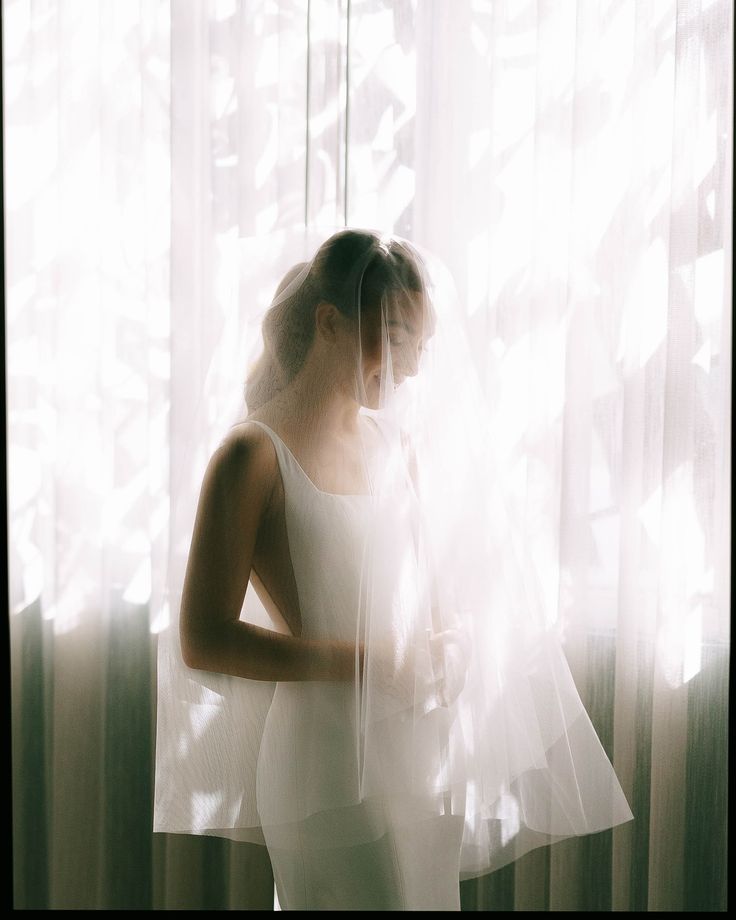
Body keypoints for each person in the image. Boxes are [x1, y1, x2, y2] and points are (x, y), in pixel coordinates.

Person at [154, 229, 633, 910]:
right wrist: (370, 665)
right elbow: (204, 638)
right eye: (397, 337)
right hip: (323, 768)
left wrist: (451, 644)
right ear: (328, 323)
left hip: (415, 751)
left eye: (420, 346)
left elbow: (425, 591)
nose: (410, 367)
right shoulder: (250, 457)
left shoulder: (395, 443)